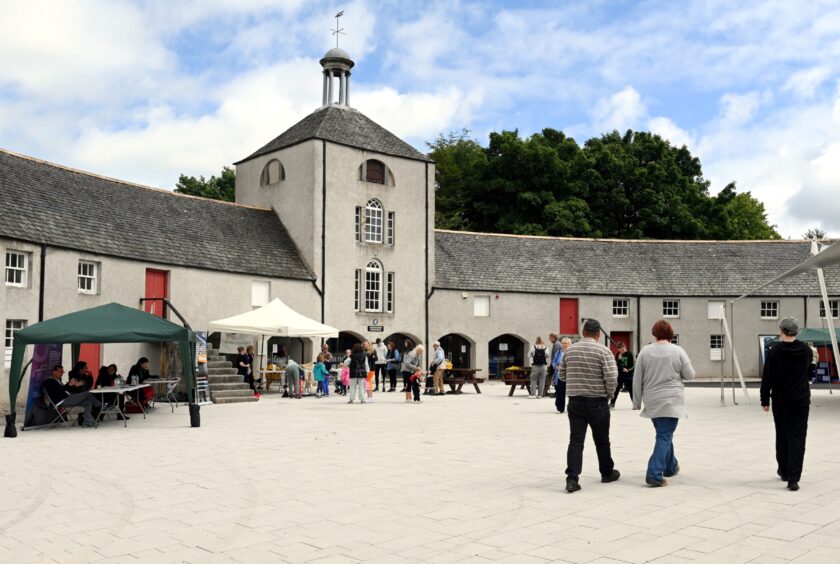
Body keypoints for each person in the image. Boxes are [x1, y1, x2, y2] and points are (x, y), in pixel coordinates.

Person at [557, 319, 620, 493]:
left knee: (576, 440)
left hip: (575, 401)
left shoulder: (570, 351)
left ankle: (572, 478)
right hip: (597, 401)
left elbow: (561, 375)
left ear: (583, 332)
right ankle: (607, 472)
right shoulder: (604, 351)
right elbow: (612, 377)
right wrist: (609, 394)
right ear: (598, 334)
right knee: (602, 440)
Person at [632, 320, 695, 487]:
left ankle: (671, 466)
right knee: (664, 435)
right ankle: (654, 473)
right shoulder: (678, 351)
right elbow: (690, 375)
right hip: (671, 400)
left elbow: (637, 378)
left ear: (654, 333)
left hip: (652, 400)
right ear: (670, 334)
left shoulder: (645, 352)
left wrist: (636, 401)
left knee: (664, 433)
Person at [760, 317, 815, 491]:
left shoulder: (775, 351)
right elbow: (808, 376)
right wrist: (813, 363)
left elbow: (767, 377)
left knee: (782, 435)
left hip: (781, 400)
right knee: (798, 437)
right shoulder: (806, 350)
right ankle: (793, 478)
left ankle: (783, 470)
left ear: (781, 331)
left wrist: (764, 399)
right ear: (796, 332)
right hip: (801, 400)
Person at [611, 342, 635, 408]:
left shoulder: (629, 354)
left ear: (624, 347)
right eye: (619, 350)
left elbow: (633, 365)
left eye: (622, 350)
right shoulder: (618, 354)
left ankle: (635, 404)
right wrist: (619, 359)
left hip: (628, 376)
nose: (621, 351)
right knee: (616, 389)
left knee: (631, 390)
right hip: (620, 375)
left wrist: (628, 370)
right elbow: (616, 364)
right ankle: (612, 403)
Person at [553, 338, 571, 414]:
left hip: (570, 375)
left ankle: (571, 408)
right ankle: (560, 408)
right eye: (563, 343)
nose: (564, 345)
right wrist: (555, 367)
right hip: (560, 374)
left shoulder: (572, 352)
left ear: (570, 344)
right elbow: (553, 361)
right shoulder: (559, 352)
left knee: (571, 393)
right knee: (560, 391)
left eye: (566, 343)